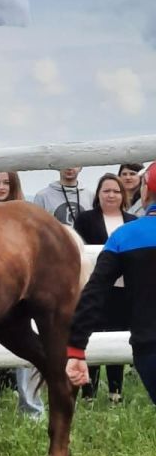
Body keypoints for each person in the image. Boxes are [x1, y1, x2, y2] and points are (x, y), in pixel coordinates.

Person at [67, 163, 156, 404]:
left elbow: (94, 290)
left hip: (149, 346)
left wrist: (76, 347)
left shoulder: (124, 235)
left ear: (144, 191)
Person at [0, 172, 43, 418]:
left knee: (27, 349)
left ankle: (32, 409)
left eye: (7, 182)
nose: (1, 187)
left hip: (20, 292)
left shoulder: (24, 217)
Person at [73, 173, 136, 402]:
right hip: (94, 289)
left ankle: (115, 393)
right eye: (106, 190)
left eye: (116, 191)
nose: (111, 195)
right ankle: (89, 393)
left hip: (123, 290)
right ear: (98, 194)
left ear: (123, 195)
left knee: (118, 336)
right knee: (92, 336)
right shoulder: (85, 220)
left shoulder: (132, 221)